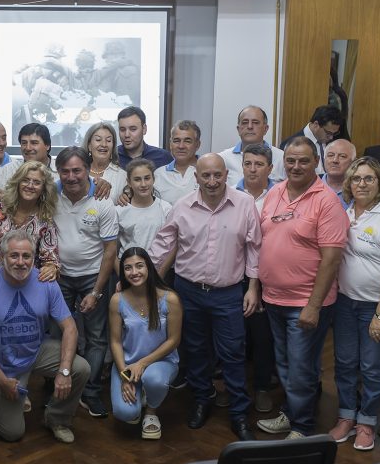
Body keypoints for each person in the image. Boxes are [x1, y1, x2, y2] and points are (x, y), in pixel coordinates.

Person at [148, 153, 261, 441]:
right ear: (196, 177)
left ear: (226, 175)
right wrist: (142, 279)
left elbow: (254, 248)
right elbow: (163, 243)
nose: (212, 181)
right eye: (206, 176)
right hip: (190, 292)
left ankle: (238, 414)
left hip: (228, 293)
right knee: (196, 350)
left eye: (217, 175)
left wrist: (253, 287)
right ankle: (201, 399)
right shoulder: (182, 206)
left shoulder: (244, 204)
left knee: (233, 353)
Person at [256, 136, 349, 439]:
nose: (296, 166)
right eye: (291, 160)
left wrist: (312, 305)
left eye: (304, 161)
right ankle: (293, 413)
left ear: (316, 163)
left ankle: (302, 427)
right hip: (274, 298)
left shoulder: (327, 201)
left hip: (307, 302)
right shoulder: (275, 192)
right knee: (284, 364)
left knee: (301, 368)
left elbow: (332, 259)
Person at [0, 230, 91, 443]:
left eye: (27, 256)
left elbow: (70, 328)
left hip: (36, 351)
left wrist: (64, 371)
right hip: (2, 364)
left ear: (34, 258)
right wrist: (2, 381)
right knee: (13, 433)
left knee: (80, 368)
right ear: (1, 257)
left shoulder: (46, 282)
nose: (21, 262)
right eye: (14, 255)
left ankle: (57, 419)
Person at [329, 157, 380, 451]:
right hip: (345, 303)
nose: (362, 183)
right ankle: (346, 417)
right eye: (357, 178)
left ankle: (367, 422)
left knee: (373, 367)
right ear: (349, 184)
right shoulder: (345, 213)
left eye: (369, 178)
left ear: (379, 183)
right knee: (345, 363)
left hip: (376, 307)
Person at [54, 146, 118, 418]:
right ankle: (57, 386)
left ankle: (90, 392)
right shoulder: (50, 195)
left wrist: (96, 291)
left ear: (88, 170)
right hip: (58, 277)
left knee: (95, 337)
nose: (71, 177)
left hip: (93, 276)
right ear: (58, 172)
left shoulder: (103, 201)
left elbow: (110, 251)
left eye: (77, 170)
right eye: (65, 171)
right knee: (59, 335)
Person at [108, 247, 181, 440]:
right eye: (128, 268)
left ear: (149, 267)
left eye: (139, 266)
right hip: (127, 364)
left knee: (154, 379)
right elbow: (115, 341)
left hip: (161, 362)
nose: (134, 272)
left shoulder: (169, 299)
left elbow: (174, 340)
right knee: (126, 413)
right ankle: (139, 395)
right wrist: (125, 374)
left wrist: (142, 363)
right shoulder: (117, 300)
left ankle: (151, 411)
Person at [0, 161, 60, 280]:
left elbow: (50, 257)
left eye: (37, 182)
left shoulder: (45, 220)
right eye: (25, 180)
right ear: (18, 182)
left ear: (44, 189)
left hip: (24, 282)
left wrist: (50, 267)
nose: (30, 185)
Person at [236, 142, 278, 412]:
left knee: (263, 337)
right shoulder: (231, 192)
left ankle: (263, 387)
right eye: (248, 163)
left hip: (269, 276)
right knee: (235, 335)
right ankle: (233, 386)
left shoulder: (280, 194)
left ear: (270, 168)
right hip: (235, 274)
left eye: (259, 164)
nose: (252, 169)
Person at [116, 159, 172, 257]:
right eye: (137, 179)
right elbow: (111, 248)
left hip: (159, 267)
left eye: (147, 178)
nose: (143, 184)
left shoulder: (166, 209)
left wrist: (161, 271)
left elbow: (172, 245)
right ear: (129, 182)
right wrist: (121, 271)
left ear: (153, 179)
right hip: (129, 268)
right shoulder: (120, 211)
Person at [219, 105, 286, 186]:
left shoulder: (281, 157)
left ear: (265, 129)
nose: (250, 126)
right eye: (245, 122)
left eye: (255, 123)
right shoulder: (222, 159)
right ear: (238, 129)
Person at [282, 106, 346, 174]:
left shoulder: (334, 142)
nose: (331, 137)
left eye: (334, 133)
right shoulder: (289, 145)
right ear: (316, 125)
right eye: (328, 133)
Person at [154, 120, 200, 205]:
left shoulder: (208, 173)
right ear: (170, 144)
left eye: (187, 141)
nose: (181, 146)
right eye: (176, 141)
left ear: (197, 145)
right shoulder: (159, 175)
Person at [82, 122, 123, 203]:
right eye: (98, 140)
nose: (104, 144)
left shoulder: (122, 176)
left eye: (108, 140)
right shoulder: (77, 171)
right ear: (89, 145)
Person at [322, 139, 357, 208]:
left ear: (354, 162)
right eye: (330, 155)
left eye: (342, 156)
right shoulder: (309, 186)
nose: (335, 160)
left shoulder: (359, 189)